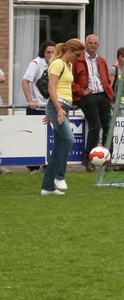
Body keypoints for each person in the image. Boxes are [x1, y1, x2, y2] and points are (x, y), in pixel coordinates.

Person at [42, 38, 86, 195]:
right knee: (68, 139)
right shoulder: (58, 63)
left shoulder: (68, 65)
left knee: (58, 147)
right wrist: (57, 109)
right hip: (58, 106)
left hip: (63, 107)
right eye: (77, 54)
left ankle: (47, 188)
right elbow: (51, 88)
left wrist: (58, 110)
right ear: (69, 51)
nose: (78, 58)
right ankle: (59, 177)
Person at [72, 33, 114, 169]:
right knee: (95, 125)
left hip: (103, 94)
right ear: (86, 44)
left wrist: (108, 92)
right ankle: (88, 158)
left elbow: (106, 79)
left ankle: (108, 158)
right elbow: (70, 80)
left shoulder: (101, 60)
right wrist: (81, 91)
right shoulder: (78, 60)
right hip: (87, 96)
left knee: (108, 126)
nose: (93, 45)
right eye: (90, 43)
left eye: (95, 43)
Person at [21, 39, 56, 174]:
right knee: (34, 137)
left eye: (53, 52)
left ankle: (47, 165)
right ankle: (33, 167)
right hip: (36, 108)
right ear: (43, 53)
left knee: (50, 137)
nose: (50, 55)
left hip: (50, 107)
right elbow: (25, 81)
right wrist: (30, 100)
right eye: (48, 52)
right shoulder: (35, 63)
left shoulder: (56, 64)